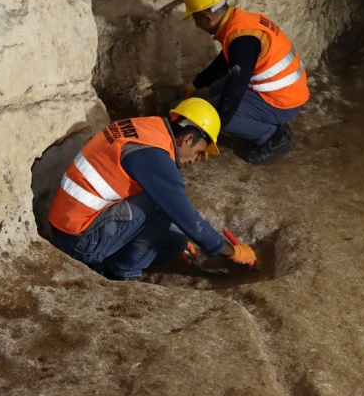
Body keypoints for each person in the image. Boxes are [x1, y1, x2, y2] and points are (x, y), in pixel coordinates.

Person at [47, 98, 257, 280]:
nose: (196, 160)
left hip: (74, 223)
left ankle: (107, 262)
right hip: (78, 240)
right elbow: (187, 217)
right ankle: (121, 273)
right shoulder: (152, 156)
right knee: (161, 204)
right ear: (188, 139)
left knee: (176, 242)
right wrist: (231, 252)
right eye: (199, 153)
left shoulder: (150, 128)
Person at [180, 0, 310, 165]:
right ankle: (268, 123)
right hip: (286, 91)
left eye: (195, 18)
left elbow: (234, 91)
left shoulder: (243, 41)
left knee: (217, 114)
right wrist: (194, 85)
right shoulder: (241, 23)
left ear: (208, 18)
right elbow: (225, 62)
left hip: (282, 101)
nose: (195, 24)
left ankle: (275, 138)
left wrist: (208, 133)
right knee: (217, 89)